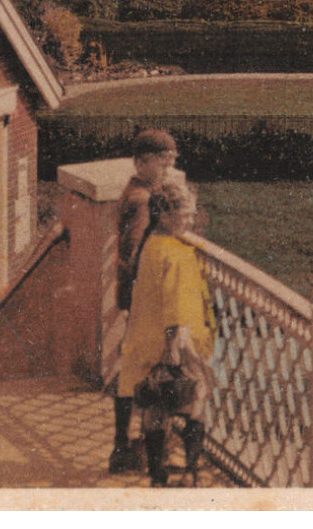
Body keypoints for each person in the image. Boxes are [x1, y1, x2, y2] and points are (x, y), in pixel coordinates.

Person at [122, 181, 217, 486]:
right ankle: (191, 468)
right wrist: (180, 345)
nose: (192, 221)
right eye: (186, 215)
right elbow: (177, 301)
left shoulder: (153, 243)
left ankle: (156, 471)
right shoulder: (177, 254)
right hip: (175, 339)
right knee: (197, 396)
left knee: (155, 404)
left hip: (146, 337)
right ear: (164, 215)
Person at [109, 128, 188, 475]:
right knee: (147, 371)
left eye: (172, 161)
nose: (169, 168)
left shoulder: (139, 191)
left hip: (138, 298)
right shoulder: (142, 200)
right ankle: (140, 445)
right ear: (142, 162)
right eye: (163, 161)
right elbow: (132, 252)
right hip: (147, 300)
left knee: (133, 371)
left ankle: (124, 445)